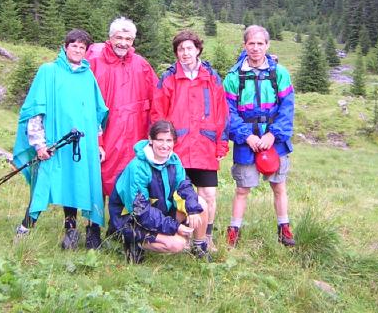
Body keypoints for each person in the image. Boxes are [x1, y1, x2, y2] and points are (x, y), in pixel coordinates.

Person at [13, 29, 108, 250]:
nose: (78, 50)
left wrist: (98, 143)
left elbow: (94, 113)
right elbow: (36, 111)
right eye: (74, 45)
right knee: (43, 183)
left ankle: (71, 231)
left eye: (82, 47)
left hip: (81, 145)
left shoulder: (88, 76)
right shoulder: (49, 71)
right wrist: (39, 144)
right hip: (54, 144)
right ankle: (25, 228)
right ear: (65, 47)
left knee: (75, 183)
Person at [151, 30, 228, 251]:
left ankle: (206, 237)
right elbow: (158, 113)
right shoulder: (169, 78)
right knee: (177, 196)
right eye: (181, 49)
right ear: (176, 53)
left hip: (205, 145)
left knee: (208, 194)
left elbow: (222, 112)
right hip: (178, 148)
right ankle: (178, 235)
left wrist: (222, 143)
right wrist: (160, 143)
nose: (185, 53)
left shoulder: (212, 77)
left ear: (197, 50)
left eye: (189, 48)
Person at [223, 25, 296, 247]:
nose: (255, 48)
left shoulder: (279, 73)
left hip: (275, 141)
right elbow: (228, 111)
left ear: (267, 45)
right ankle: (234, 232)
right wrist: (246, 137)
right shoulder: (233, 77)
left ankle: (284, 229)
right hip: (247, 142)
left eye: (260, 44)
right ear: (244, 45)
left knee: (279, 185)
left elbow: (287, 107)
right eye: (251, 44)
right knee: (242, 189)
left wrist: (274, 135)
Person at [108, 120, 210, 263]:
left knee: (201, 205)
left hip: (158, 212)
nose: (165, 145)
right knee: (178, 244)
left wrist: (192, 210)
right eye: (160, 140)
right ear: (150, 139)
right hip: (131, 219)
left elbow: (185, 186)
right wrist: (175, 226)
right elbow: (141, 212)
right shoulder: (138, 167)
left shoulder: (174, 160)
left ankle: (199, 249)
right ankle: (131, 241)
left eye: (169, 140)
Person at [85, 17, 158, 200]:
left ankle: (121, 221)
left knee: (131, 174)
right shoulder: (94, 61)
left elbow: (157, 97)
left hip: (135, 132)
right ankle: (94, 221)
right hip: (104, 132)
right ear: (110, 38)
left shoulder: (141, 64)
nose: (123, 43)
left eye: (128, 39)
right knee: (98, 172)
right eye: (119, 38)